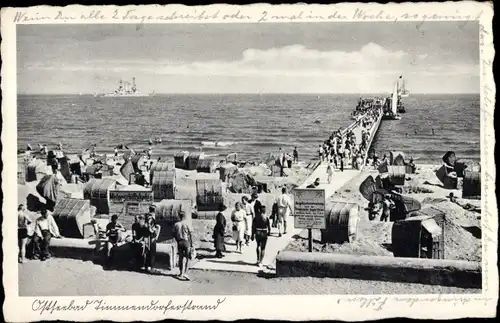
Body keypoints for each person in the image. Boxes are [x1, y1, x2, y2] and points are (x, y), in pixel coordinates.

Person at [173, 210, 194, 280]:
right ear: (184, 216)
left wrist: (177, 240)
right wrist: (192, 244)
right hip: (186, 241)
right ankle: (185, 272)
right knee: (188, 258)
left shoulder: (176, 224)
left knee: (180, 258)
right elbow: (190, 234)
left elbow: (174, 234)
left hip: (180, 242)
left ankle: (181, 272)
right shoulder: (187, 223)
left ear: (179, 216)